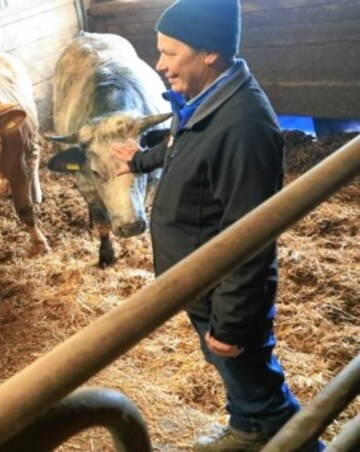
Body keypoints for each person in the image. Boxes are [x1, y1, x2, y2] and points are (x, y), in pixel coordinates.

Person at [110, 1, 320, 451]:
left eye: (170, 52)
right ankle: (247, 425)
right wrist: (140, 159)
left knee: (255, 381)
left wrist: (232, 323)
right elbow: (186, 149)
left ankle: (289, 438)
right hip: (200, 278)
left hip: (222, 291)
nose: (159, 64)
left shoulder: (244, 125)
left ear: (210, 53)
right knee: (238, 375)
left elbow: (251, 238)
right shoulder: (208, 99)